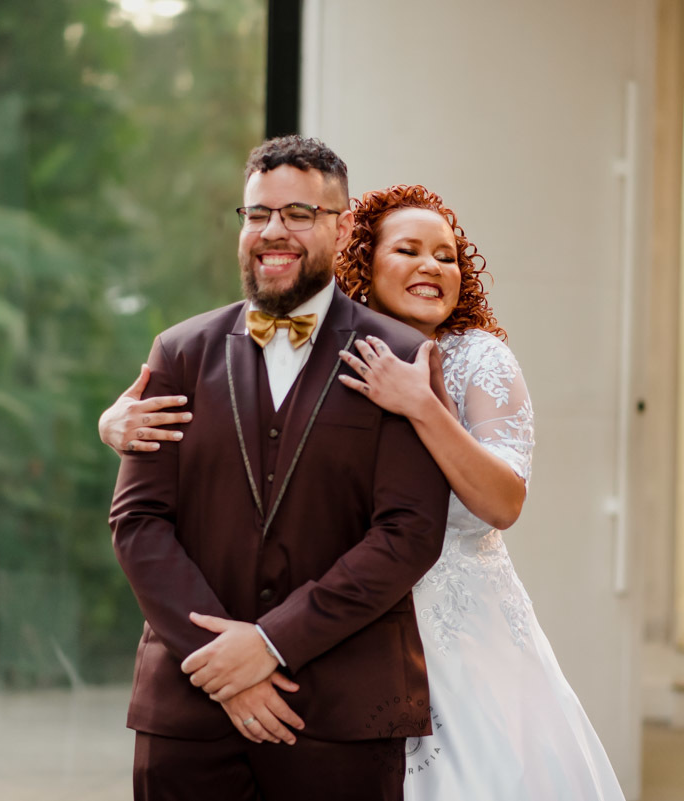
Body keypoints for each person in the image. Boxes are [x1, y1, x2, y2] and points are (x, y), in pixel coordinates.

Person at [104, 182, 627, 799]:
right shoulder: (315, 345)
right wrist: (111, 425)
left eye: (447, 256)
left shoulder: (479, 358)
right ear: (361, 260)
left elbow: (503, 502)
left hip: (461, 639)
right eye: (409, 250)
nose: (432, 266)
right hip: (335, 631)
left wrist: (420, 404)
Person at [108, 136, 450, 801]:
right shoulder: (178, 352)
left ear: (341, 227)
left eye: (298, 214)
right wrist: (221, 665)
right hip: (189, 714)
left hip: (341, 718)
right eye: (258, 213)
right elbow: (138, 523)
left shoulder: (403, 356)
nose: (272, 232)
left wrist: (271, 643)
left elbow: (408, 534)